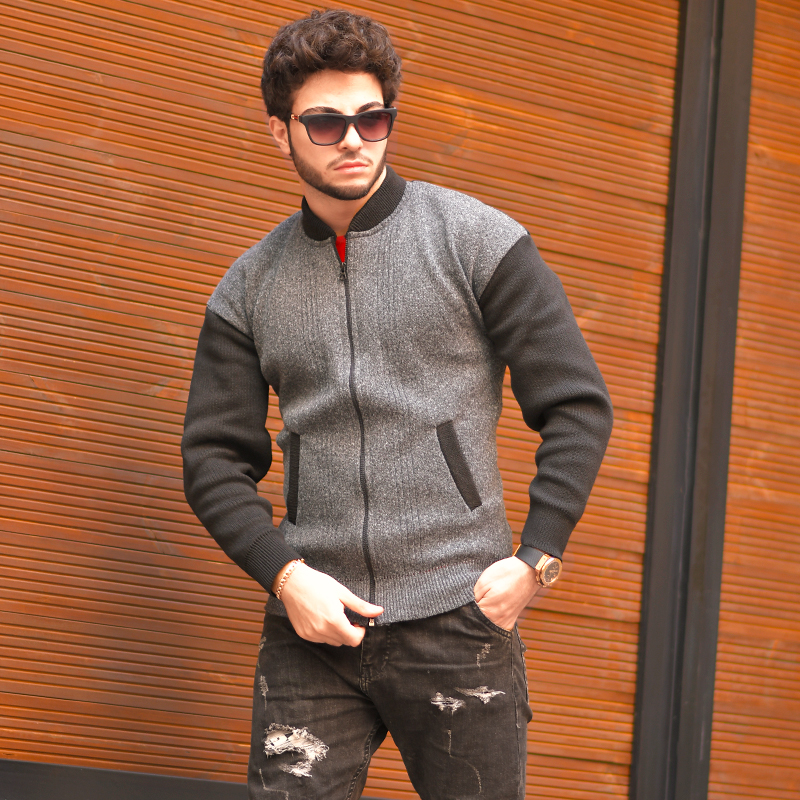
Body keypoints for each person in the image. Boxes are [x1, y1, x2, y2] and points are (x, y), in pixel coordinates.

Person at [182, 8, 613, 799]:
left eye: (372, 118)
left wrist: (535, 562)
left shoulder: (476, 242)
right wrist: (286, 577)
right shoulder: (249, 288)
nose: (353, 139)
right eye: (326, 123)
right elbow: (212, 458)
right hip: (315, 628)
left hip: (459, 619)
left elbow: (577, 404)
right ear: (279, 132)